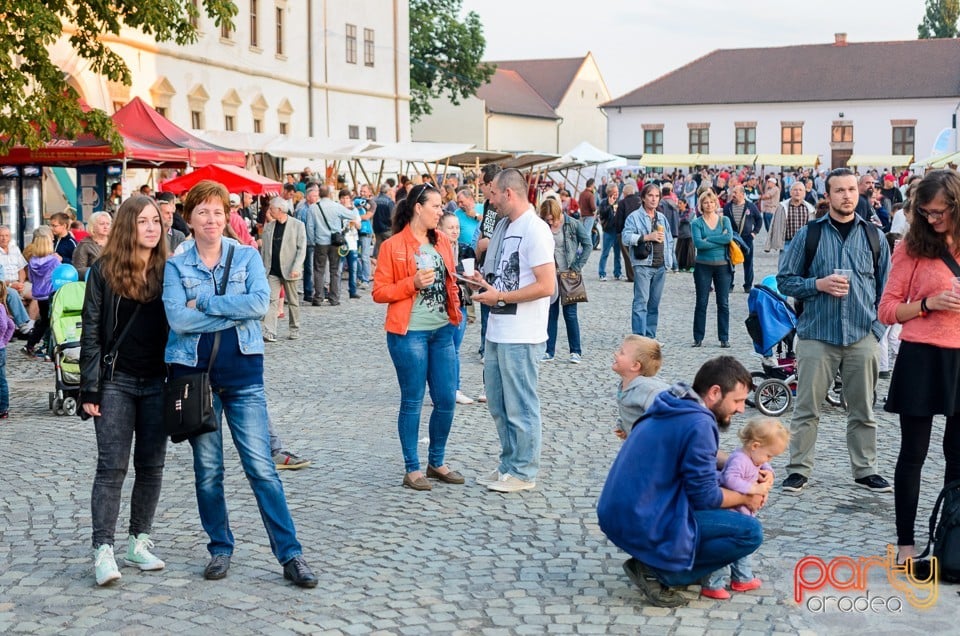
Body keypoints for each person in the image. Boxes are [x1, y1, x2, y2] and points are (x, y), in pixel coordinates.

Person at [163, 180, 317, 587]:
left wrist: (208, 305)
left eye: (218, 211)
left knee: (262, 468)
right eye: (202, 213)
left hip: (243, 376)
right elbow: (178, 319)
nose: (211, 220)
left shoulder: (246, 256)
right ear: (190, 219)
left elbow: (258, 303)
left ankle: (290, 554)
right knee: (208, 471)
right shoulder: (176, 267)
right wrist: (232, 313)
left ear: (227, 215)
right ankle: (219, 547)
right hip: (195, 381)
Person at [597, 357, 768, 608]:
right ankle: (658, 570)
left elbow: (702, 458)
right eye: (738, 400)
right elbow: (706, 497)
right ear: (715, 392)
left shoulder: (677, 403)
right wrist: (747, 497)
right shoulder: (699, 423)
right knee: (749, 532)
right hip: (641, 519)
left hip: (622, 512)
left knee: (724, 506)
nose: (742, 409)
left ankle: (669, 560)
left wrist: (742, 463)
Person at [776, 168, 892, 494]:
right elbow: (785, 280)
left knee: (863, 410)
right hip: (817, 335)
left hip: (861, 336)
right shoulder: (810, 235)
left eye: (852, 189)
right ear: (827, 195)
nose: (846, 196)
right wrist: (818, 284)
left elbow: (888, 288)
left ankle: (865, 469)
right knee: (806, 410)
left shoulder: (873, 236)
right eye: (839, 190)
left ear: (859, 193)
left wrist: (876, 332)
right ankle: (798, 470)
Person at [79, 195, 169, 586]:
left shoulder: (171, 270)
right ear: (127, 226)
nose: (151, 228)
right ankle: (103, 550)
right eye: (143, 221)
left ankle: (139, 540)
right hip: (116, 381)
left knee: (151, 467)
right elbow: (92, 332)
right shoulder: (103, 271)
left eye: (156, 221)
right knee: (111, 467)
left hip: (160, 382)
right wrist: (90, 389)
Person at [877, 169, 960, 568]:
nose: (932, 219)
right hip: (921, 355)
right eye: (925, 212)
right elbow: (888, 309)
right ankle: (906, 543)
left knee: (958, 456)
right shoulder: (911, 246)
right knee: (914, 454)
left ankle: (950, 541)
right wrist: (929, 304)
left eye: (939, 212)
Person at [372, 183, 463, 491]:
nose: (442, 211)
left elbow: (450, 283)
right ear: (418, 208)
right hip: (408, 332)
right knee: (413, 400)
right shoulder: (393, 246)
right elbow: (379, 292)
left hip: (442, 331)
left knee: (447, 399)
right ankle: (412, 468)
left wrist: (459, 305)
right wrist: (411, 283)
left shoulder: (443, 243)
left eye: (442, 206)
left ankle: (436, 462)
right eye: (436, 206)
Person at [470, 168, 555, 493]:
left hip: (523, 332)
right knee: (498, 403)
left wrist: (501, 295)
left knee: (521, 405)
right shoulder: (505, 227)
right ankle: (508, 464)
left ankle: (524, 470)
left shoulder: (535, 229)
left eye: (492, 195)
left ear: (508, 193)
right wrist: (484, 284)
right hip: (498, 328)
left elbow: (546, 285)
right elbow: (506, 276)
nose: (489, 202)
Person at [701, 417, 789, 600]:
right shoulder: (739, 459)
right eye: (769, 455)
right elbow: (729, 480)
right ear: (755, 446)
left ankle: (742, 578)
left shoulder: (755, 458)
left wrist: (769, 472)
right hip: (729, 512)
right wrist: (753, 490)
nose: (768, 460)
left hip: (743, 513)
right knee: (725, 550)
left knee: (743, 548)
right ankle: (712, 584)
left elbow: (763, 464)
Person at [538, 197, 591, 364]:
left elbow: (588, 243)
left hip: (568, 274)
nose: (550, 222)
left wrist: (577, 265)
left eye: (552, 219)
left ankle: (575, 351)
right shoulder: (542, 226)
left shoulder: (572, 224)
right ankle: (549, 350)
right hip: (550, 274)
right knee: (551, 314)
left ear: (557, 213)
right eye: (547, 219)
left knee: (570, 314)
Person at [622, 184, 675, 338]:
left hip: (660, 266)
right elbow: (626, 238)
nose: (654, 199)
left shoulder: (662, 218)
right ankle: (639, 338)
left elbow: (669, 241)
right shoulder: (634, 217)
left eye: (657, 196)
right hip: (643, 265)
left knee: (654, 304)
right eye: (650, 195)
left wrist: (669, 263)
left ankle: (650, 338)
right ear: (643, 198)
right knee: (641, 303)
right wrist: (646, 237)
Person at [438, 212, 476, 405]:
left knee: (455, 349)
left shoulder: (465, 250)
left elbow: (471, 278)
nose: (455, 231)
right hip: (439, 305)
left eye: (457, 228)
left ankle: (454, 389)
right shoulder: (434, 250)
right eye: (450, 228)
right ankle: (442, 389)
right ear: (440, 229)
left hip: (459, 303)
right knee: (441, 349)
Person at [691, 190, 734, 348]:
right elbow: (698, 244)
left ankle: (724, 337)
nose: (709, 205)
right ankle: (698, 337)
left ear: (716, 203)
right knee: (701, 302)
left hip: (723, 266)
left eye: (711, 202)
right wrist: (718, 240)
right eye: (705, 202)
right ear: (701, 205)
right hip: (703, 266)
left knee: (723, 303)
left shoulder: (724, 221)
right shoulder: (696, 223)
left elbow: (728, 238)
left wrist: (708, 238)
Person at [260, 196, 306, 342]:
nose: (269, 211)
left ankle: (294, 328)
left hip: (290, 269)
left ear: (279, 210)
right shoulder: (269, 227)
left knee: (293, 301)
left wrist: (297, 267)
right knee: (271, 300)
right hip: (272, 271)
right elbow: (264, 250)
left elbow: (301, 249)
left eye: (271, 208)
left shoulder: (297, 225)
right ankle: (269, 331)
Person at [612, 335, 668, 440]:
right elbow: (631, 412)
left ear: (635, 366)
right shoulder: (626, 385)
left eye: (622, 352)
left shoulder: (647, 388)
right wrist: (624, 427)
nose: (616, 353)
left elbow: (668, 414)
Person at [312, 185, 357, 306]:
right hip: (335, 242)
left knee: (319, 270)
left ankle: (318, 297)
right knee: (335, 270)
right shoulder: (336, 206)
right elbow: (353, 215)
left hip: (320, 241)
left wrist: (312, 241)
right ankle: (334, 298)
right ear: (330, 194)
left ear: (319, 194)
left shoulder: (314, 208)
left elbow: (310, 227)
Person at [23, 227, 60, 358]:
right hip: (51, 293)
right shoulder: (54, 260)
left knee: (44, 320)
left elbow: (32, 279)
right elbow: (58, 278)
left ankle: (30, 344)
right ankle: (48, 348)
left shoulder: (32, 261)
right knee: (51, 321)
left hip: (39, 294)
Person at [722, 185, 762, 292]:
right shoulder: (727, 207)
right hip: (733, 238)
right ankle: (729, 285)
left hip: (747, 239)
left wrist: (754, 233)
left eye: (735, 192)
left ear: (742, 194)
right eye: (732, 192)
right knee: (730, 262)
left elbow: (759, 220)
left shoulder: (751, 207)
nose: (733, 195)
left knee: (748, 262)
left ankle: (748, 285)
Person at [0, 225, 34, 334]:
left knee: (39, 293)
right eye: (1, 236)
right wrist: (11, 285)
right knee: (12, 293)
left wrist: (21, 283)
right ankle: (23, 324)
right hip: (4, 284)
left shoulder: (15, 249)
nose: (4, 238)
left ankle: (36, 323)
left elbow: (21, 269)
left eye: (6, 236)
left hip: (18, 282)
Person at [72, 211, 112, 279]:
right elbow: (78, 270)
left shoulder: (114, 242)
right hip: (93, 284)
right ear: (92, 226)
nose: (106, 227)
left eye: (108, 224)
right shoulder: (84, 245)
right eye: (102, 224)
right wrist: (98, 271)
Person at [597, 182, 622, 281]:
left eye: (617, 192)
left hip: (617, 231)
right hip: (608, 231)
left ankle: (617, 273)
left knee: (617, 254)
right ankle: (602, 273)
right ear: (609, 193)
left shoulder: (620, 202)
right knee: (605, 253)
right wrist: (609, 206)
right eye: (615, 192)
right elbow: (602, 214)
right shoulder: (604, 202)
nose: (617, 194)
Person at [0, 283, 14, 418]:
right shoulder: (3, 307)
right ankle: (3, 408)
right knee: (2, 380)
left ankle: (3, 407)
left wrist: (2, 340)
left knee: (1, 380)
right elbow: (11, 325)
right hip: (1, 348)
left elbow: (6, 325)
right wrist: (3, 341)